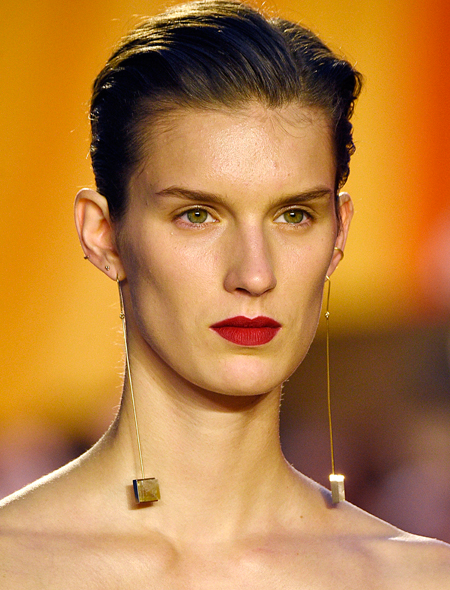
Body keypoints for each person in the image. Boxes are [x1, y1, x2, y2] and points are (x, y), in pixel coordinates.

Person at [1, 1, 449, 587]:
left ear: (339, 234)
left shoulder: (419, 577)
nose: (254, 274)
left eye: (293, 215)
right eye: (197, 215)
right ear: (103, 234)